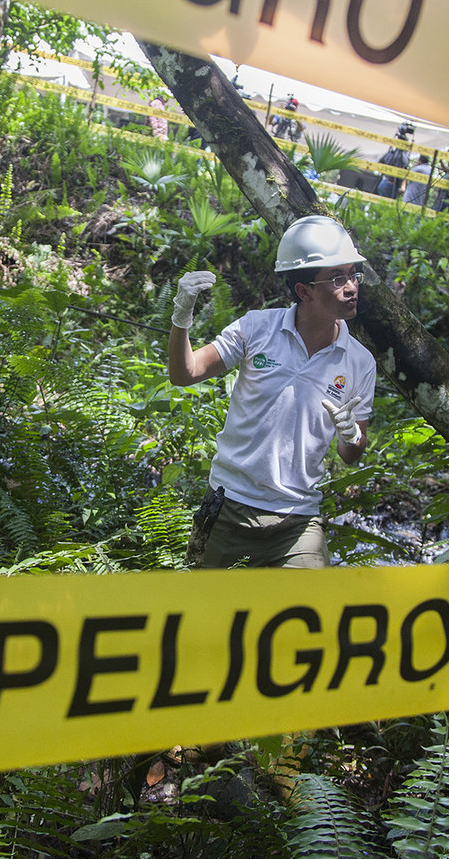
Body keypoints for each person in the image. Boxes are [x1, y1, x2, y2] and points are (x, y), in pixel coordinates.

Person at [167, 216, 376, 568]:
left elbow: (351, 454)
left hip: (297, 522)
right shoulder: (256, 329)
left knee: (310, 615)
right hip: (229, 507)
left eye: (354, 274)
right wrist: (181, 316)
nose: (352, 287)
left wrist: (352, 434)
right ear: (303, 291)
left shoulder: (360, 362)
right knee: (204, 615)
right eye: (337, 278)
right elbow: (185, 373)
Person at [374, 121, 415, 199]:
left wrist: (385, 172)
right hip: (391, 185)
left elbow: (378, 164)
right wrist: (403, 185)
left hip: (384, 182)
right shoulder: (402, 157)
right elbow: (404, 171)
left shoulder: (390, 154)